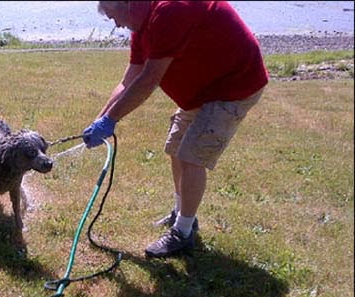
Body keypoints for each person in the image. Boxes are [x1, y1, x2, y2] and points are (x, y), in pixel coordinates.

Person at [82, 1, 268, 258]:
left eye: (115, 17)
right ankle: (184, 214)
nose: (117, 25)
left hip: (233, 85)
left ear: (128, 4)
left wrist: (111, 120)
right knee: (175, 148)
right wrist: (100, 118)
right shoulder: (142, 27)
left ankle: (183, 233)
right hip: (202, 91)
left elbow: (148, 80)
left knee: (191, 155)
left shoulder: (170, 11)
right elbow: (128, 81)